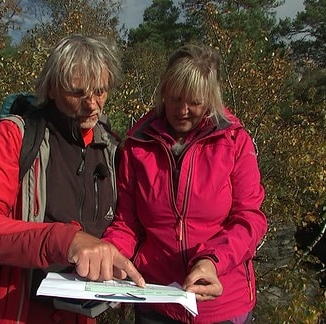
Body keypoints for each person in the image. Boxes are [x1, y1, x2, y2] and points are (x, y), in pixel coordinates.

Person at [0, 34, 144, 324]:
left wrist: (115, 253)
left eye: (101, 91)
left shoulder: (111, 149)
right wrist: (65, 240)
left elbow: (124, 222)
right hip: (19, 311)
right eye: (78, 92)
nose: (92, 105)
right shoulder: (16, 137)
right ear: (52, 88)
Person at [100, 43, 268, 323]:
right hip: (155, 299)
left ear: (211, 99)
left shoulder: (235, 142)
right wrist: (113, 254)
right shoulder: (137, 145)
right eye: (175, 98)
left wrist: (213, 260)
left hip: (221, 303)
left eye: (195, 101)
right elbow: (127, 223)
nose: (183, 110)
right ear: (164, 92)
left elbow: (249, 219)